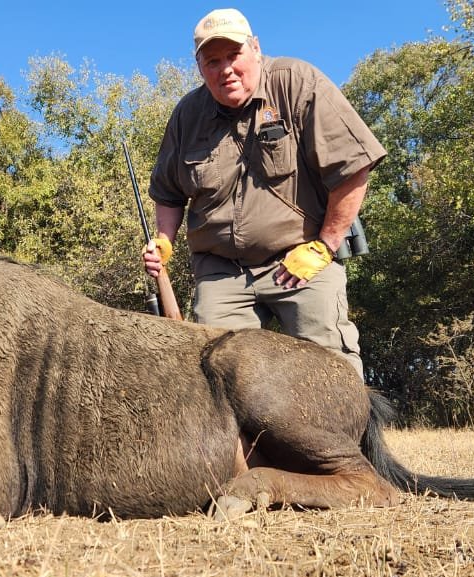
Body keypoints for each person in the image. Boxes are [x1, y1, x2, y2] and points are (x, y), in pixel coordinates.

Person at [143, 8, 386, 380]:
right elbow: (169, 193)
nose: (225, 69)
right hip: (221, 270)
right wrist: (164, 239)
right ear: (199, 67)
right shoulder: (187, 115)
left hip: (300, 259)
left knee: (330, 371)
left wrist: (325, 245)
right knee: (213, 377)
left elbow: (354, 167)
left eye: (233, 55)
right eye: (213, 61)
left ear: (255, 48)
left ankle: (353, 440)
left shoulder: (297, 82)